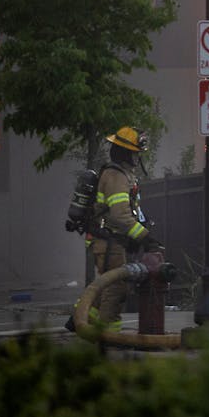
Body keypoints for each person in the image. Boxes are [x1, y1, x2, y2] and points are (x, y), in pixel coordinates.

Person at [80, 126, 161, 331]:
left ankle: (83, 322)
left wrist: (138, 231)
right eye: (134, 152)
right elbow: (120, 215)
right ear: (125, 152)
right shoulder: (116, 177)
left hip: (111, 241)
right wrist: (144, 237)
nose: (137, 157)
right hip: (108, 241)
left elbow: (127, 212)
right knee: (116, 287)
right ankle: (108, 335)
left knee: (105, 286)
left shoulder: (122, 174)